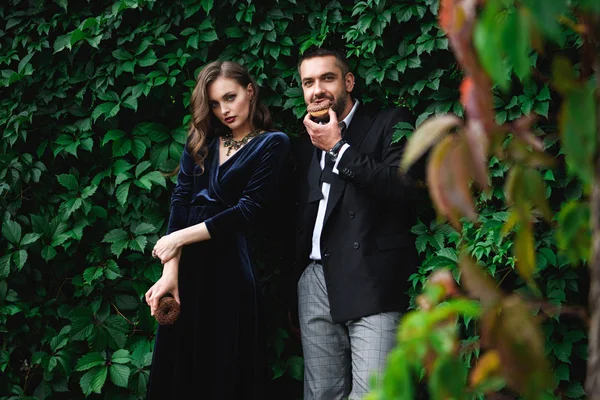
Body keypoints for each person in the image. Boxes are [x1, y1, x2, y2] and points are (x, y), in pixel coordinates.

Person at [144, 60, 290, 400]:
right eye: (214, 103)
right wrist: (171, 272)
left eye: (231, 97)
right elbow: (181, 200)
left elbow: (247, 210)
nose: (224, 110)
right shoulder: (201, 141)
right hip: (187, 271)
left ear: (250, 91)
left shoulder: (273, 143)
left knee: (223, 372)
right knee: (177, 373)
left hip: (229, 272)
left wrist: (177, 238)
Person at [294, 48, 420, 399]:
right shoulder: (304, 143)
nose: (317, 89)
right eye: (308, 82)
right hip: (316, 281)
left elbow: (402, 186)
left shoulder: (389, 122)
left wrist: (338, 147)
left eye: (327, 78)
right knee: (322, 394)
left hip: (372, 279)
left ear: (348, 81)